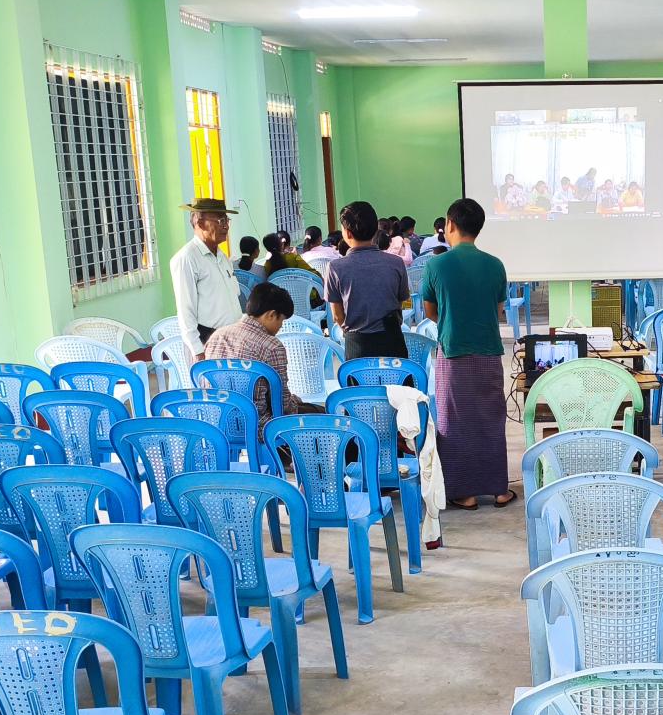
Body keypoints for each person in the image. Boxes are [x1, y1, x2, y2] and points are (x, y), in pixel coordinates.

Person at [419, 197, 515, 510]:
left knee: (454, 421)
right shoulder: (495, 264)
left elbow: (430, 311)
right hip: (488, 351)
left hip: (453, 351)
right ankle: (498, 489)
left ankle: (464, 492)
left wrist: (452, 320)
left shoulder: (436, 265)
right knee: (491, 419)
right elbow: (498, 310)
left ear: (450, 225)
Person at [201, 282, 312, 430]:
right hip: (257, 426)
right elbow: (282, 404)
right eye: (281, 320)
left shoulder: (217, 335)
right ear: (271, 314)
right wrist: (296, 403)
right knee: (324, 415)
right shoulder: (272, 346)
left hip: (217, 424)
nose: (280, 326)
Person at [324, 200, 409, 359]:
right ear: (376, 229)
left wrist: (350, 330)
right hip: (393, 339)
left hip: (357, 344)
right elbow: (401, 300)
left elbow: (337, 315)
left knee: (359, 376)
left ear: (347, 233)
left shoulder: (335, 267)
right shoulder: (396, 263)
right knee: (396, 376)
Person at [170, 197, 241, 358]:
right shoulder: (187, 258)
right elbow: (185, 311)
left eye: (227, 220)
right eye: (220, 220)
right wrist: (198, 352)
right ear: (200, 223)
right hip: (206, 343)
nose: (225, 226)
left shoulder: (222, 257)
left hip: (231, 342)